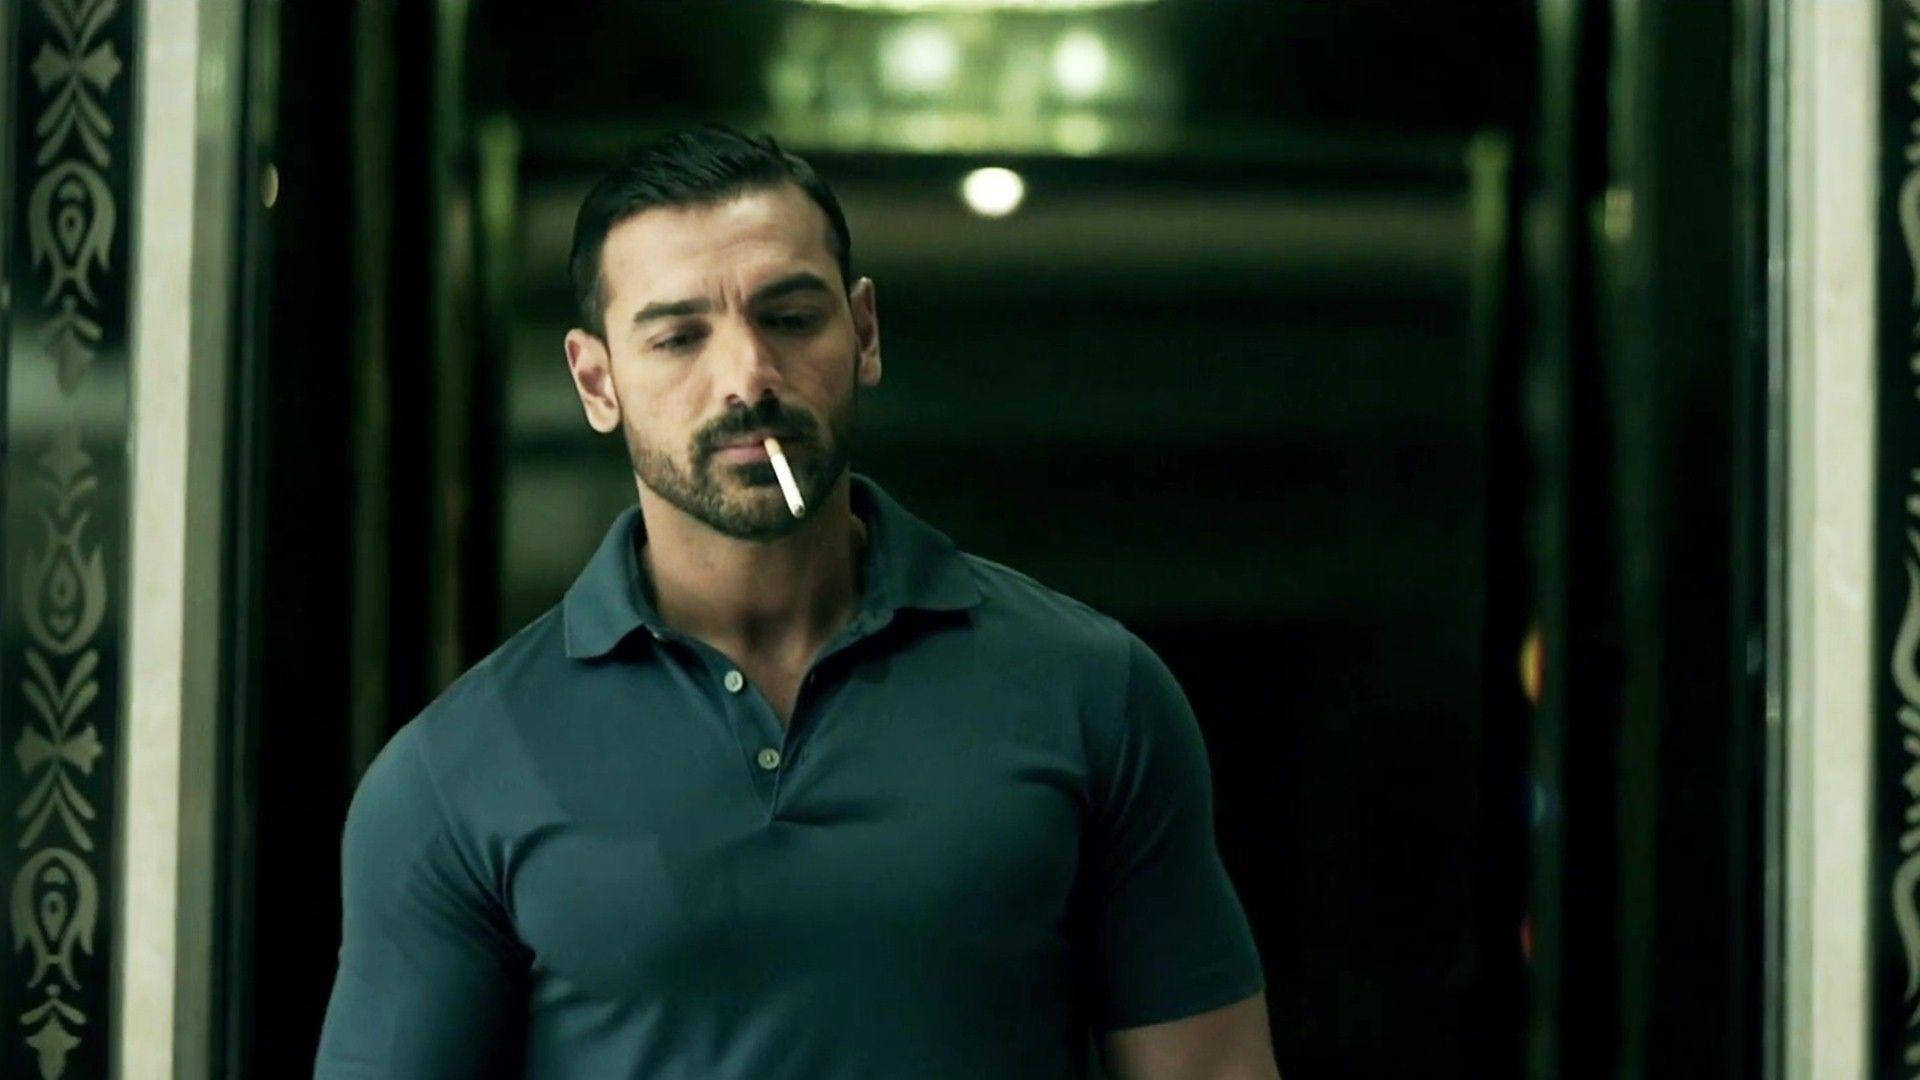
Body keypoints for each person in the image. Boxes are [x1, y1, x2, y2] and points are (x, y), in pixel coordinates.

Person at [314, 123, 1281, 1080]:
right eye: (679, 337)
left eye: (789, 317)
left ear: (864, 333)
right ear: (597, 382)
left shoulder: (1089, 692)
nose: (747, 378)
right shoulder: (455, 771)